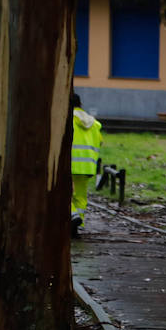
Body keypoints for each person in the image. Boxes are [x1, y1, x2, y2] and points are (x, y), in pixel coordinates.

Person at [70, 92, 103, 237]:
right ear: (81, 104)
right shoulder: (94, 124)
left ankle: (73, 216)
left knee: (66, 194)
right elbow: (100, 142)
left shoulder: (65, 119)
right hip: (87, 166)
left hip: (68, 165)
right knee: (81, 196)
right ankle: (76, 226)